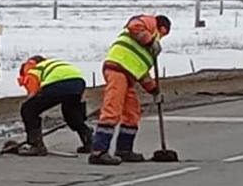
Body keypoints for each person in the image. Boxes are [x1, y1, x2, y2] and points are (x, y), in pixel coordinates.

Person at [90, 14, 172, 165]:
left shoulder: (149, 48)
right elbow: (134, 24)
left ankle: (124, 150)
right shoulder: (150, 23)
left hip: (129, 76)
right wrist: (150, 41)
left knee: (132, 113)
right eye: (163, 34)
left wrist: (154, 90)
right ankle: (99, 151)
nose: (161, 38)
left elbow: (142, 73)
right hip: (117, 69)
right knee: (112, 108)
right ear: (163, 28)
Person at [15, 56, 93, 156]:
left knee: (28, 109)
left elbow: (32, 96)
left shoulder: (32, 71)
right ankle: (89, 141)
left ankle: (36, 145)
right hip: (78, 81)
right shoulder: (52, 64)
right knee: (71, 112)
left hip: (57, 84)